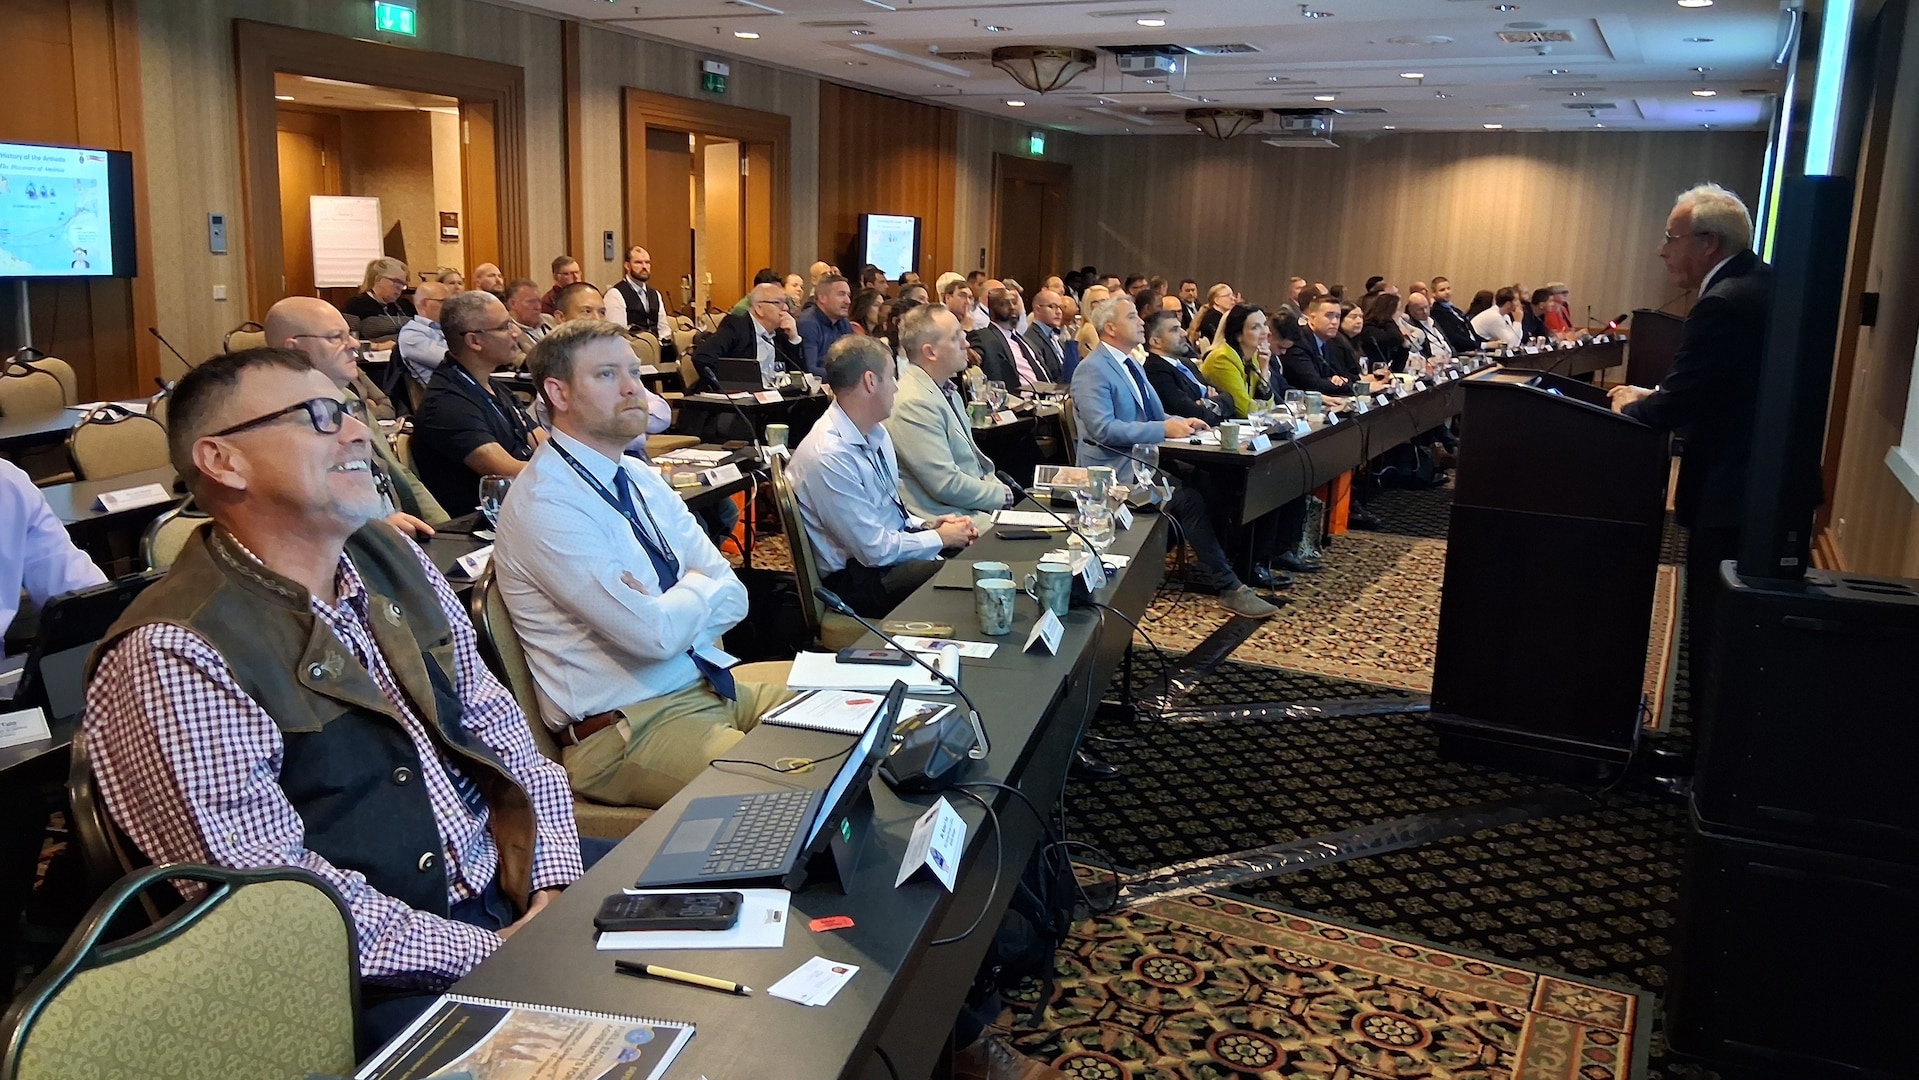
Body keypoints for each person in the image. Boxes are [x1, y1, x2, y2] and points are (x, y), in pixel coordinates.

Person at [81, 347, 589, 1051]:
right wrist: (497, 949)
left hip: (508, 879)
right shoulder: (177, 651)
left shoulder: (393, 559)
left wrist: (553, 879)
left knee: (726, 926)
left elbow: (503, 733)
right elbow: (279, 906)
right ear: (222, 461)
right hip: (369, 983)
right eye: (319, 417)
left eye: (351, 408)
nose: (356, 431)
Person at [492, 320, 788, 809]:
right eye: (607, 375)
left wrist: (676, 602)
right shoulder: (547, 504)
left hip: (709, 682)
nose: (634, 388)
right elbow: (655, 638)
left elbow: (734, 597)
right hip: (628, 728)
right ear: (558, 393)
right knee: (786, 792)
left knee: (847, 722)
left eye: (634, 370)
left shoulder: (637, 476)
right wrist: (697, 584)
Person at [1609, 183, 1783, 728]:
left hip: (1733, 491)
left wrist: (1626, 410)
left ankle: (1704, 760)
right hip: (1761, 487)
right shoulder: (1762, 286)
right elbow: (1715, 389)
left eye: (1671, 237)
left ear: (1708, 242)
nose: (1663, 251)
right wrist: (1653, 397)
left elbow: (1681, 404)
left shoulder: (1725, 303)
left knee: (1717, 625)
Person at [1072, 297, 1278, 618]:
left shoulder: (1129, 364)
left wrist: (1179, 422)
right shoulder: (1093, 369)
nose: (1141, 321)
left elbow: (1153, 414)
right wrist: (1162, 429)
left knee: (1213, 483)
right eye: (1131, 317)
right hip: (1114, 472)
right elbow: (1102, 430)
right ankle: (1229, 586)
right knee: (1188, 499)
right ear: (1110, 328)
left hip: (1146, 462)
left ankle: (1231, 568)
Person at [787, 335, 977, 618]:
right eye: (891, 377)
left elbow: (888, 512)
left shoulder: (875, 431)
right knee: (963, 580)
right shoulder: (828, 455)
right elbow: (873, 550)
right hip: (856, 580)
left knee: (979, 555)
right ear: (870, 382)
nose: (897, 387)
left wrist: (928, 525)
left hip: (883, 559)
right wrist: (939, 538)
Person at [264, 296, 447, 531]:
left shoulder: (349, 401)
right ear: (293, 348)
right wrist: (372, 530)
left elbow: (397, 472)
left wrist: (444, 528)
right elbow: (294, 510)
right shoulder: (275, 419)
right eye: (335, 337)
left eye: (349, 334)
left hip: (401, 535)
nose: (354, 344)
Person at [413, 290, 544, 516]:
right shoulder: (446, 403)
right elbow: (506, 472)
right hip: (481, 525)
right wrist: (573, 474)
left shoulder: (494, 386)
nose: (516, 332)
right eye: (504, 327)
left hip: (526, 505)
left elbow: (543, 442)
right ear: (474, 341)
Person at [883, 305, 1011, 530]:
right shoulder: (914, 402)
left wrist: (1000, 490)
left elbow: (975, 467)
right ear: (930, 352)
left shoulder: (947, 391)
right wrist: (1002, 495)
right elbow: (945, 484)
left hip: (974, 509)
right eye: (955, 338)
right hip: (950, 522)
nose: (966, 343)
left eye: (963, 334)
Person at [693, 281, 804, 392]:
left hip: (772, 400)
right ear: (759, 308)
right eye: (778, 303)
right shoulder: (736, 326)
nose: (785, 308)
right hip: (737, 402)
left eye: (785, 303)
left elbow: (798, 377)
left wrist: (794, 339)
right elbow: (703, 357)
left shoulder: (781, 333)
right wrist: (728, 386)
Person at [1143, 310, 1233, 423]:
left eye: (1180, 327)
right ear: (1156, 341)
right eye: (1174, 330)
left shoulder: (1187, 363)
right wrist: (1216, 407)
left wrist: (1205, 403)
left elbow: (1229, 398)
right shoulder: (1155, 369)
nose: (1184, 333)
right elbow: (1188, 412)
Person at [604, 245, 678, 366]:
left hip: (657, 353)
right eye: (638, 262)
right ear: (627, 266)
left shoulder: (655, 294)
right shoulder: (615, 294)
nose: (644, 267)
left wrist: (657, 347)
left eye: (647, 262)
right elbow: (618, 335)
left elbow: (664, 330)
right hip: (631, 354)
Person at [1202, 304, 1278, 417]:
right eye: (1255, 327)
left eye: (1265, 324)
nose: (1265, 332)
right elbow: (1245, 411)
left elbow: (1270, 406)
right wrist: (1264, 408)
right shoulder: (1222, 359)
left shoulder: (1254, 357)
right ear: (1238, 335)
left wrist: (1264, 370)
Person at [973, 287, 1050, 391]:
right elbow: (972, 356)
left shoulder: (1027, 342)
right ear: (991, 308)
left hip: (1048, 398)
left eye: (1014, 303)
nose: (1012, 307)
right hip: (1016, 400)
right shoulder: (983, 337)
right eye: (1004, 303)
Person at [1284, 296, 1362, 393]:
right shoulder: (1299, 342)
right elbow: (1313, 384)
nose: (1335, 322)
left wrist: (1341, 380)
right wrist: (1347, 385)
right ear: (1312, 318)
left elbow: (1347, 375)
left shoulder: (1330, 342)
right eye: (1329, 316)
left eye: (1337, 317)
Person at [341, 257, 415, 340]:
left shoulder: (405, 305)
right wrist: (379, 346)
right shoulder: (356, 304)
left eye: (403, 283)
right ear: (378, 279)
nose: (400, 287)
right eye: (396, 281)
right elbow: (349, 338)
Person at [797, 273, 854, 375]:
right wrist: (845, 375)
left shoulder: (844, 323)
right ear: (822, 297)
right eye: (841, 294)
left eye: (848, 295)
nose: (848, 301)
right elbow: (809, 370)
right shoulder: (808, 323)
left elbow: (854, 359)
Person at [396, 281, 451, 385]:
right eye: (444, 301)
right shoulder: (411, 334)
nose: (449, 307)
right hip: (444, 393)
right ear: (424, 304)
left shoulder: (448, 327)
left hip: (465, 386)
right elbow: (451, 360)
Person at [1023, 288, 1077, 384]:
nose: (1059, 312)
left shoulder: (1054, 335)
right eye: (1052, 306)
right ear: (1037, 309)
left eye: (1060, 307)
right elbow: (1044, 377)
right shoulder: (1031, 339)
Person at [1357, 293, 1411, 374]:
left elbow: (1396, 369)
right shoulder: (1369, 329)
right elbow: (1396, 338)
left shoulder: (1387, 328)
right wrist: (1392, 321)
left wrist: (1404, 349)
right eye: (1399, 309)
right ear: (1390, 311)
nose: (1401, 314)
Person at [1428, 277, 1482, 354]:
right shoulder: (1436, 313)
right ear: (1433, 293)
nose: (1447, 292)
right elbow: (1454, 339)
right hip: (1462, 352)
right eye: (1442, 290)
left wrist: (1490, 343)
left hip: (1475, 348)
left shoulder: (1456, 311)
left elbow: (1472, 333)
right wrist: (1482, 345)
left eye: (1448, 288)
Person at [1401, 291, 1454, 366]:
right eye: (1420, 309)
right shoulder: (1411, 327)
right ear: (1411, 310)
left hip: (1450, 360)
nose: (1425, 312)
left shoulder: (1433, 320)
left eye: (1426, 307)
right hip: (1432, 364)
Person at [504, 278, 548, 350]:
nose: (538, 307)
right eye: (531, 302)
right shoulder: (507, 332)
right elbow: (520, 360)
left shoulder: (550, 320)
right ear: (512, 304)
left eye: (539, 301)